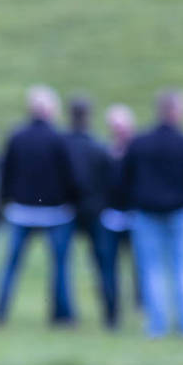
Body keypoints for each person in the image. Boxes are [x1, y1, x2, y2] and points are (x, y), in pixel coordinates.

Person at [121, 89, 183, 337]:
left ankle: (157, 326)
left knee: (152, 270)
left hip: (146, 213)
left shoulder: (140, 143)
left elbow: (124, 178)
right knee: (182, 268)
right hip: (179, 212)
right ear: (177, 111)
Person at [0, 85, 80, 326]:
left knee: (10, 266)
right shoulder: (60, 138)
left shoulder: (17, 136)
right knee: (60, 268)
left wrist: (5, 202)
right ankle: (62, 317)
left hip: (20, 211)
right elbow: (71, 176)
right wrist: (73, 202)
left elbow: (5, 173)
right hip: (55, 212)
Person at [65, 96, 118, 327]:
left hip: (68, 210)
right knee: (105, 265)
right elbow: (111, 182)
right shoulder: (99, 147)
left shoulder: (63, 146)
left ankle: (65, 315)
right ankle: (111, 315)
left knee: (63, 264)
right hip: (97, 211)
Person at [99, 103, 140, 323]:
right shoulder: (105, 152)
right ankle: (111, 314)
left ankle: (143, 307)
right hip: (110, 217)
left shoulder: (139, 152)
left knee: (140, 266)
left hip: (135, 216)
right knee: (109, 268)